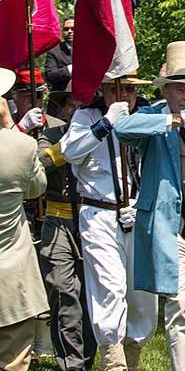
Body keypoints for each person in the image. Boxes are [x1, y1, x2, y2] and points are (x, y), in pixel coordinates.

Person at [114, 41, 185, 371]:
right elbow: (122, 129)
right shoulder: (153, 117)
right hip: (169, 226)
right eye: (180, 89)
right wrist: (174, 122)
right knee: (179, 306)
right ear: (165, 91)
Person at [60, 74, 158, 371]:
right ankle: (113, 364)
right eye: (119, 88)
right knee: (109, 287)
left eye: (130, 89)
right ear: (102, 89)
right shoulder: (86, 116)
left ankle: (132, 359)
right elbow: (70, 152)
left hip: (137, 214)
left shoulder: (144, 114)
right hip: (99, 213)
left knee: (141, 296)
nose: (125, 94)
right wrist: (105, 124)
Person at [17, 70, 97, 371]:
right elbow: (39, 165)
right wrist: (74, 145)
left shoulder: (101, 138)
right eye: (71, 105)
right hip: (58, 220)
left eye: (83, 106)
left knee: (92, 296)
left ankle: (87, 359)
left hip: (93, 221)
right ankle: (70, 364)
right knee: (64, 293)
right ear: (64, 108)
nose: (75, 111)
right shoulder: (51, 135)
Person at [0, 69, 49, 371]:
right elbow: (36, 188)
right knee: (14, 361)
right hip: (13, 275)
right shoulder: (22, 145)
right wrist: (10, 126)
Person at [42, 19, 74, 90]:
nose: (69, 31)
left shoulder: (89, 49)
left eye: (73, 28)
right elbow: (50, 75)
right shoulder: (54, 51)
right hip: (62, 95)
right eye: (66, 29)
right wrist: (70, 69)